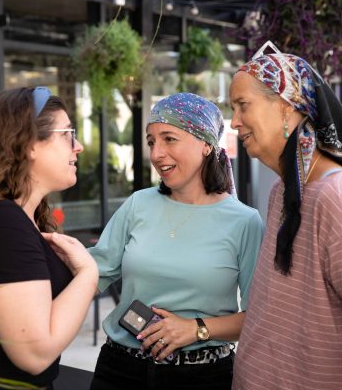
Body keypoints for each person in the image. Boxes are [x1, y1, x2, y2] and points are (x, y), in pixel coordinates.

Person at [88, 93, 264, 390]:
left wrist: (196, 330)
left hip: (203, 378)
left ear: (207, 144)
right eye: (152, 142)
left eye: (169, 139)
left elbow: (258, 317)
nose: (156, 154)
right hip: (119, 370)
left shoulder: (245, 221)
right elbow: (93, 274)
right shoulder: (137, 204)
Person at [0, 87, 98, 389]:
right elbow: (34, 353)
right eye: (68, 134)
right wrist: (88, 275)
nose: (77, 146)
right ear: (29, 144)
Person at [229, 41, 342, 390]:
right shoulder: (283, 191)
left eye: (242, 106)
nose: (234, 122)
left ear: (286, 110)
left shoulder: (332, 198)